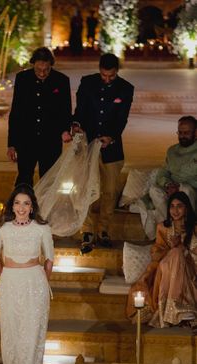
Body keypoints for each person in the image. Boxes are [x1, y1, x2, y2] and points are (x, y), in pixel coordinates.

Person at [0, 184, 54, 364]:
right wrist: (6, 275)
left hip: (35, 283)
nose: (21, 207)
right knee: (11, 333)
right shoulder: (1, 229)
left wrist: (42, 281)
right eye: (17, 203)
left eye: (26, 203)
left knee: (32, 334)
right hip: (9, 282)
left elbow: (49, 259)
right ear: (12, 206)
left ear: (32, 207)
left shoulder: (42, 228)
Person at [72, 53, 134, 254]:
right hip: (88, 145)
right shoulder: (87, 83)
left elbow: (122, 118)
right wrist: (76, 125)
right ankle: (88, 230)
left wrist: (112, 136)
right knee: (86, 188)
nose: (107, 79)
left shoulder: (126, 88)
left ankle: (104, 230)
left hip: (112, 148)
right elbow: (80, 109)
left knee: (110, 191)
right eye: (104, 75)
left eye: (111, 76)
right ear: (99, 70)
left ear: (117, 72)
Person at [127, 192, 197, 329]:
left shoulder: (194, 228)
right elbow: (157, 252)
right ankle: (181, 310)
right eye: (172, 206)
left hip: (190, 269)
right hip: (166, 269)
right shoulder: (163, 228)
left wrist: (183, 246)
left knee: (178, 253)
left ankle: (179, 309)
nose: (175, 210)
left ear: (186, 208)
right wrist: (174, 248)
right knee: (175, 254)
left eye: (179, 206)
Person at [7, 46, 72, 187]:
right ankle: (23, 208)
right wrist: (12, 144)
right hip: (26, 141)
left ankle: (45, 209)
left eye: (46, 70)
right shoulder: (22, 79)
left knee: (48, 181)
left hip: (51, 140)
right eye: (38, 70)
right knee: (24, 178)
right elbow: (16, 112)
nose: (42, 73)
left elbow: (65, 109)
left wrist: (65, 130)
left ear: (51, 65)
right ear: (33, 65)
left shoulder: (61, 80)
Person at [149, 115, 197, 221]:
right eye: (180, 132)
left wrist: (180, 186)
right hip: (172, 190)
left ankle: (189, 227)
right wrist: (169, 185)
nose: (182, 136)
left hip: (192, 192)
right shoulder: (171, 151)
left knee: (185, 190)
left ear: (196, 133)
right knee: (154, 190)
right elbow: (162, 173)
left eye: (186, 133)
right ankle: (168, 225)